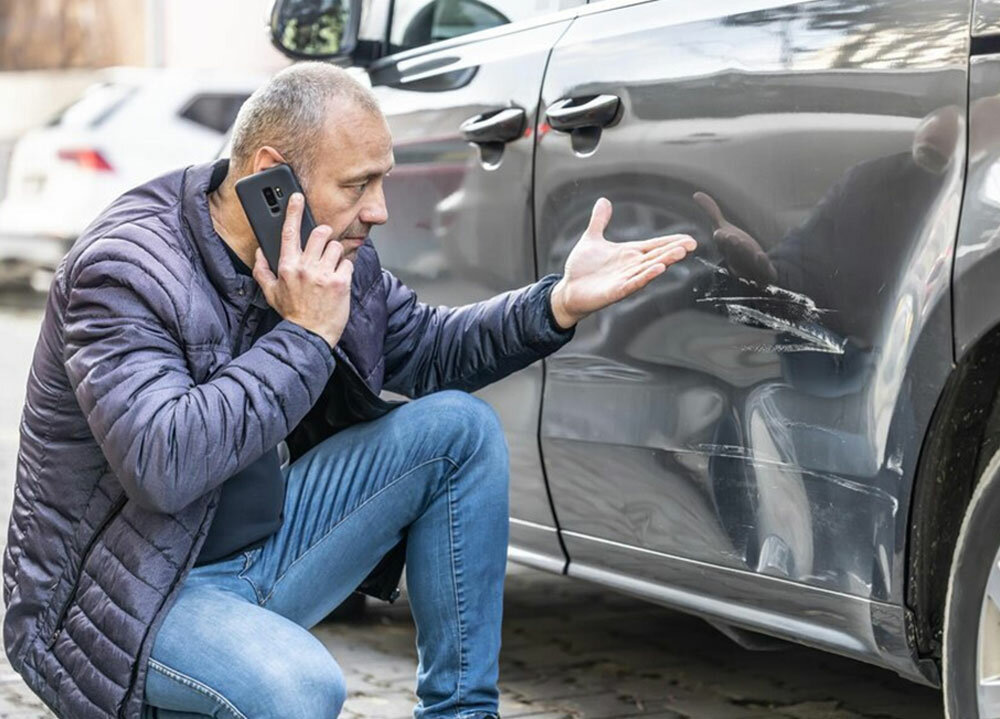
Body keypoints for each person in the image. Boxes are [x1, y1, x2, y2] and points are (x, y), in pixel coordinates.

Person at [2, 62, 696, 719]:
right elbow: (165, 463)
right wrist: (303, 336)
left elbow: (429, 348)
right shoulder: (125, 270)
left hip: (259, 555)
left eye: (382, 181)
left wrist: (558, 305)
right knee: (301, 686)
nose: (381, 210)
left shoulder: (322, 249)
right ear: (272, 177)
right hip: (129, 600)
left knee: (458, 430)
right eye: (358, 184)